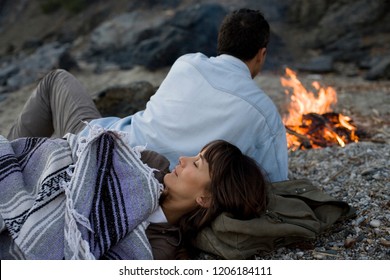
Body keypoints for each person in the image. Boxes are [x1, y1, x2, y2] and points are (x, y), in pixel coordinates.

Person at [7, 8, 288, 183]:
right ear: (262, 54)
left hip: (105, 146)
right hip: (163, 181)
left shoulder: (186, 63)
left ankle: (6, 165)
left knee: (57, 79)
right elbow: (275, 183)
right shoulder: (264, 113)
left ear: (221, 43)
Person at [0, 131, 267, 259]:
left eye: (196, 164)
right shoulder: (150, 162)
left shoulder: (162, 246)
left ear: (206, 199)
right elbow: (85, 153)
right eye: (195, 155)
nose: (184, 159)